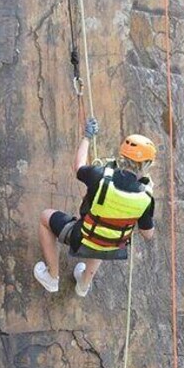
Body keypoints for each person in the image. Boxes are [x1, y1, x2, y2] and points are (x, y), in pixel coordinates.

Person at [34, 118, 156, 296]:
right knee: (104, 236)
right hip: (112, 247)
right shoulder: (145, 196)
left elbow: (78, 167)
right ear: (145, 164)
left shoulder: (102, 176)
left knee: (46, 217)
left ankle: (52, 277)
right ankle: (83, 284)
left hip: (82, 237)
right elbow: (147, 234)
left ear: (123, 156)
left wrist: (87, 137)